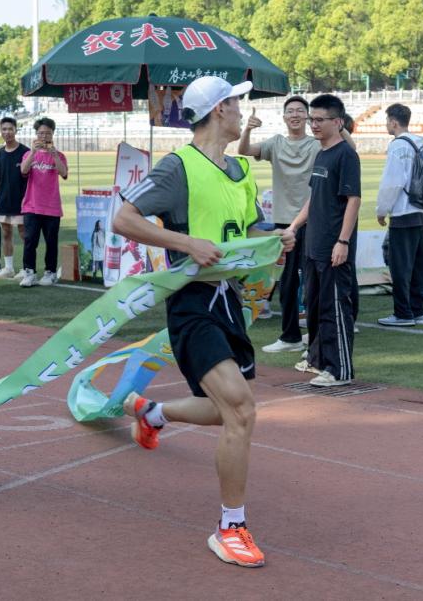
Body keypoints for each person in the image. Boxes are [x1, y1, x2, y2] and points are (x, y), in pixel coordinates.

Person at [114, 75, 295, 568]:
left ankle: (151, 413)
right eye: (236, 102)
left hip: (229, 302)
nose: (242, 111)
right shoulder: (179, 167)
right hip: (192, 303)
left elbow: (248, 228)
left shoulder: (240, 169)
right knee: (241, 410)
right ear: (219, 110)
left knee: (224, 410)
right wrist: (186, 243)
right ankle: (230, 527)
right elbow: (124, 219)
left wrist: (273, 239)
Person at [286, 94, 361, 386]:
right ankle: (318, 360)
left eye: (319, 120)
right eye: (311, 120)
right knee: (315, 308)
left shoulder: (345, 155)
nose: (313, 125)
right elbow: (314, 197)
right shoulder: (321, 154)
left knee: (335, 309)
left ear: (337, 122)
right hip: (313, 246)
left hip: (333, 247)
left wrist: (343, 242)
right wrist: (294, 226)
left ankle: (340, 370)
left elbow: (353, 200)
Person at [237, 96, 319, 354]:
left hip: (313, 220)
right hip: (284, 224)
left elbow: (349, 148)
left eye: (300, 111)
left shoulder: (316, 144)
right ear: (284, 117)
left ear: (307, 116)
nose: (295, 115)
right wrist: (248, 129)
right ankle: (290, 336)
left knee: (314, 281)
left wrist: (338, 125)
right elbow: (244, 150)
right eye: (290, 111)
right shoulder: (276, 143)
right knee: (287, 282)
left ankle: (316, 338)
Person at [375, 104, 423, 326]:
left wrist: (382, 210)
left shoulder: (398, 145)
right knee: (419, 266)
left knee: (400, 266)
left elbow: (392, 182)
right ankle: (419, 310)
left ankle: (403, 313)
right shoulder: (420, 143)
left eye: (387, 121)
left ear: (393, 122)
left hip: (403, 212)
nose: (386, 125)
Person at [19, 117, 68, 287]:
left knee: (51, 242)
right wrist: (33, 152)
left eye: (47, 133)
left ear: (53, 134)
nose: (44, 136)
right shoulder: (28, 154)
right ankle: (29, 272)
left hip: (52, 206)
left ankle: (50, 272)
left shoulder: (59, 155)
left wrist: (54, 155)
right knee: (30, 241)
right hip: (31, 205)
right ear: (36, 134)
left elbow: (63, 173)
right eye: (41, 133)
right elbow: (23, 170)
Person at [0, 117, 30, 279]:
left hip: (21, 201)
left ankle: (28, 268)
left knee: (24, 234)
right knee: (6, 233)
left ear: (15, 130)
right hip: (4, 200)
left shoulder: (25, 152)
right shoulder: (0, 153)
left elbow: (30, 179)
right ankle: (8, 268)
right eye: (4, 129)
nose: (7, 132)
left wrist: (27, 199)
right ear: (1, 131)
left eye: (10, 129)